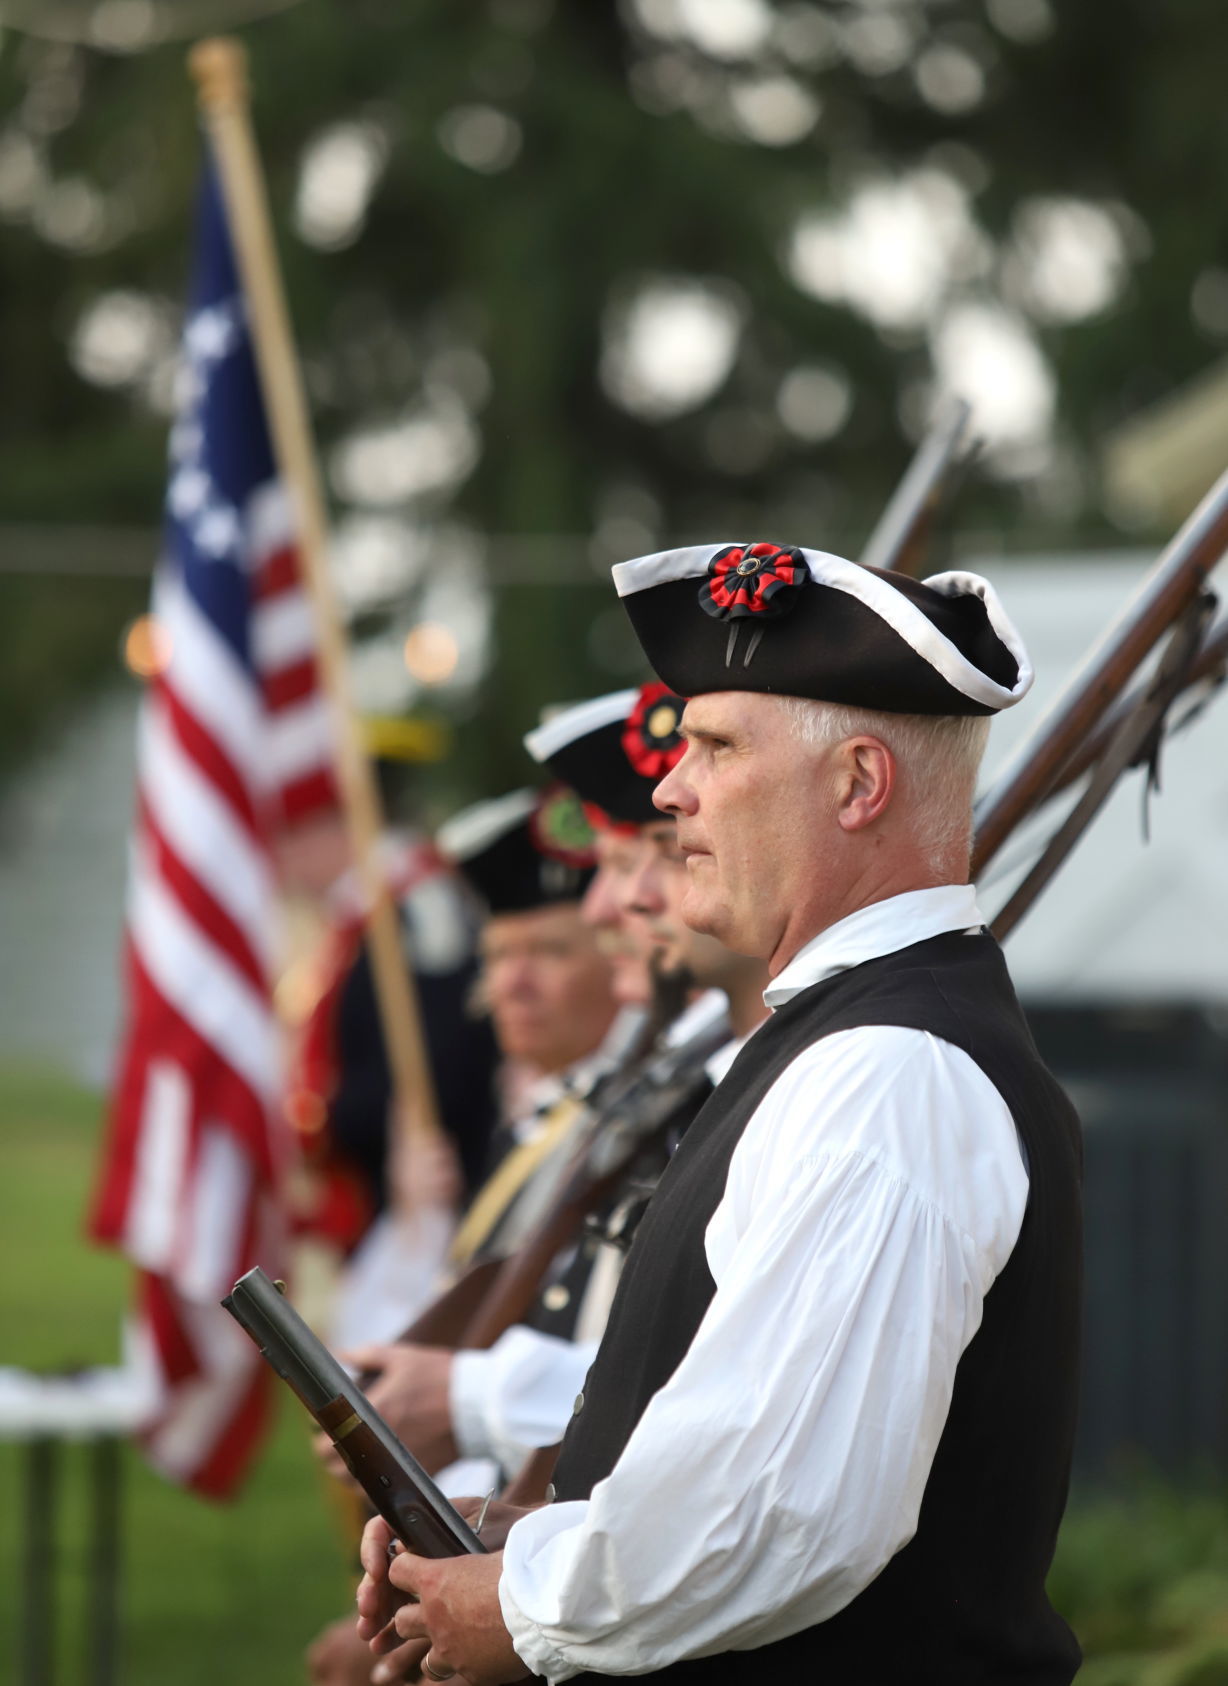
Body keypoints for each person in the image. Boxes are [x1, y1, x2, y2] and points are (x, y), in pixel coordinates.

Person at [356, 540, 1083, 1685]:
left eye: (715, 746)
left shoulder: (887, 1071)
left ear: (857, 784)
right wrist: (527, 1548)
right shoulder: (846, 1041)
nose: (667, 788)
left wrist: (530, 1604)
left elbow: (778, 1509)